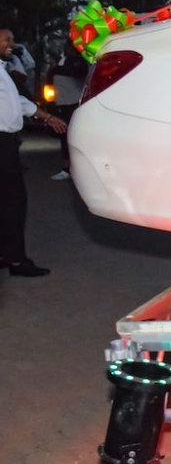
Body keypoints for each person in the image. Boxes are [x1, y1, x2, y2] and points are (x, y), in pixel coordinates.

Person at [1, 26, 68, 277]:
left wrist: (47, 117)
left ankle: (6, 254)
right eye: (6, 39)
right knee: (14, 200)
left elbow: (18, 103)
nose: (12, 44)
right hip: (2, 143)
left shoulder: (3, 70)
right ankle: (17, 260)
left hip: (7, 142)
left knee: (6, 201)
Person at [45, 49, 88, 180]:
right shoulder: (62, 65)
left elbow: (78, 72)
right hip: (64, 106)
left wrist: (57, 69)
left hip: (76, 105)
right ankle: (67, 168)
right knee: (65, 138)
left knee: (75, 138)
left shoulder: (79, 63)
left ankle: (75, 168)